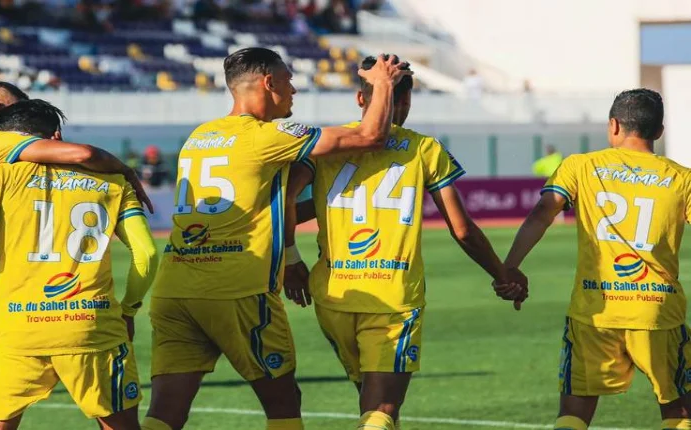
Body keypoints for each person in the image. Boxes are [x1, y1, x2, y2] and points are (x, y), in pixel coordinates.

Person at [141, 47, 411, 430]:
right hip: (236, 290)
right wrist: (382, 83)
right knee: (283, 402)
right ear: (269, 83)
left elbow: (268, 205)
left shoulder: (201, 136)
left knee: (165, 412)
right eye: (288, 81)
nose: (293, 91)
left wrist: (291, 254)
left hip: (174, 289)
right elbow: (371, 136)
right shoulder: (268, 135)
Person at [281, 56, 527, 430]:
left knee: (372, 402)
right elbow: (462, 230)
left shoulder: (329, 143)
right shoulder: (424, 148)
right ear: (407, 101)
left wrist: (290, 258)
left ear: (360, 98)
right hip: (392, 297)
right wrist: (502, 274)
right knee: (381, 409)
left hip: (334, 295)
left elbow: (284, 201)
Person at [0, 82, 151, 428]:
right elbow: (146, 254)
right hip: (87, 323)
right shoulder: (113, 182)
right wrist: (125, 171)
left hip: (18, 328)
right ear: (55, 137)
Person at [503, 89, 691, 430]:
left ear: (613, 125)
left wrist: (510, 268)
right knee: (678, 412)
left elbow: (542, 214)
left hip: (594, 310)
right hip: (657, 310)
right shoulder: (682, 178)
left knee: (573, 414)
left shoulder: (580, 166)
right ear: (659, 131)